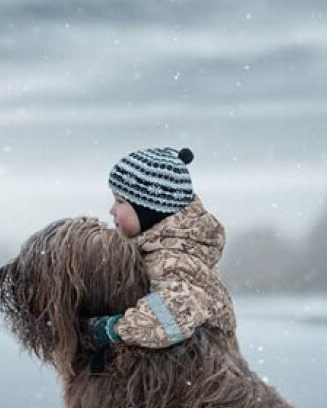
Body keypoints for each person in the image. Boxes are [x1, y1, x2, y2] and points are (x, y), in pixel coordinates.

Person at [83, 147, 237, 366]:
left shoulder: (171, 260)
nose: (111, 210)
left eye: (120, 201)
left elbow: (176, 314)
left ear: (149, 211)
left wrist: (113, 329)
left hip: (202, 371)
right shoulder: (164, 249)